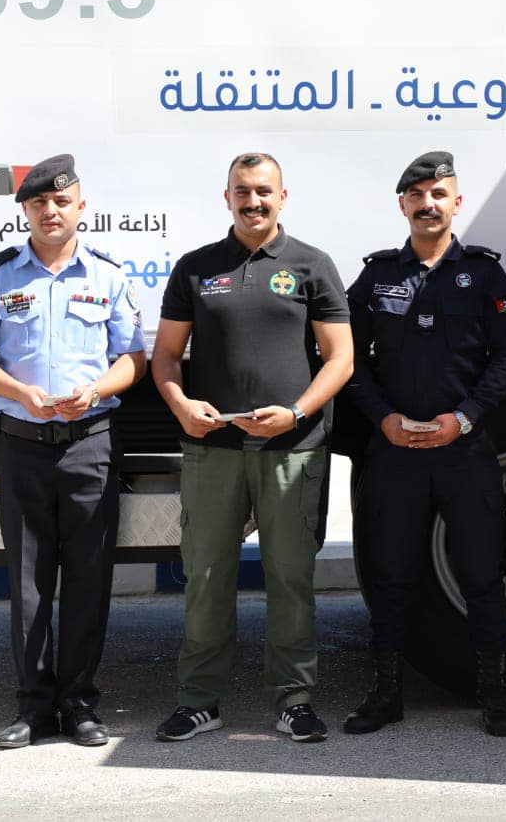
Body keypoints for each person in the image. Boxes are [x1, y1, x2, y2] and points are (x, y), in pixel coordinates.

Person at [151, 152, 353, 743]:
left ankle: (294, 701)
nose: (253, 201)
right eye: (242, 191)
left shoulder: (312, 265)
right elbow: (166, 357)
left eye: (264, 190)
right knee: (206, 578)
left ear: (282, 197)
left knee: (289, 579)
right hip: (213, 450)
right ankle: (199, 701)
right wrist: (181, 406)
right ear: (227, 198)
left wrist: (296, 412)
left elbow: (340, 358)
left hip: (293, 450)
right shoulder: (195, 268)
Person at [0, 154, 147, 749]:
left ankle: (79, 706)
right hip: (23, 446)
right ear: (25, 211)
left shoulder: (108, 276)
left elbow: (132, 359)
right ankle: (33, 708)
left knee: (89, 579)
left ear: (80, 207)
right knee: (28, 584)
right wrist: (22, 394)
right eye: (39, 202)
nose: (51, 211)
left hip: (91, 444)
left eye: (62, 201)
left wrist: (96, 390)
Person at [343, 151, 506, 737]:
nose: (428, 204)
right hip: (395, 452)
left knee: (481, 574)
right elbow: (349, 361)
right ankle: (386, 692)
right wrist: (382, 419)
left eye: (438, 194)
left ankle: (494, 693)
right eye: (417, 195)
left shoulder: (486, 275)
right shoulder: (376, 277)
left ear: (456, 202)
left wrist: (465, 418)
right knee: (391, 574)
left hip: (463, 451)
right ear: (402, 204)